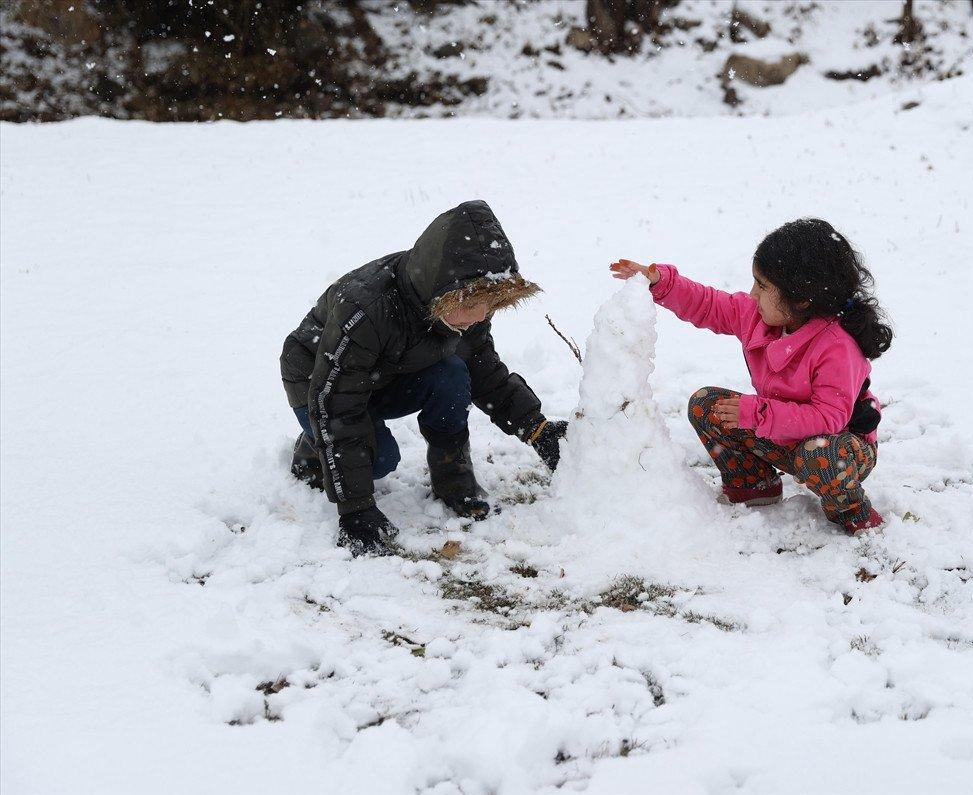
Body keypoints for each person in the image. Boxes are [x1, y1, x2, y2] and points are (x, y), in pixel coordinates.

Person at [281, 200, 567, 556]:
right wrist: (356, 510)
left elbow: (483, 370)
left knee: (453, 373)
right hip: (318, 383)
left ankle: (452, 472)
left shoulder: (462, 305)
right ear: (441, 287)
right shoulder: (367, 309)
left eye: (490, 303)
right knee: (380, 460)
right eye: (472, 303)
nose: (480, 315)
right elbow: (336, 404)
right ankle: (313, 449)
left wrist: (537, 429)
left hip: (385, 374)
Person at [610, 218, 892, 533]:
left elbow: (829, 418)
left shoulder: (838, 347)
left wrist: (757, 414)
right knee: (707, 406)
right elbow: (709, 305)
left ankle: (852, 511)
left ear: (801, 299)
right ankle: (754, 484)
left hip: (840, 448)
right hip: (782, 433)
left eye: (763, 285)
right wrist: (662, 283)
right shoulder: (759, 316)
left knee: (820, 456)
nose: (752, 294)